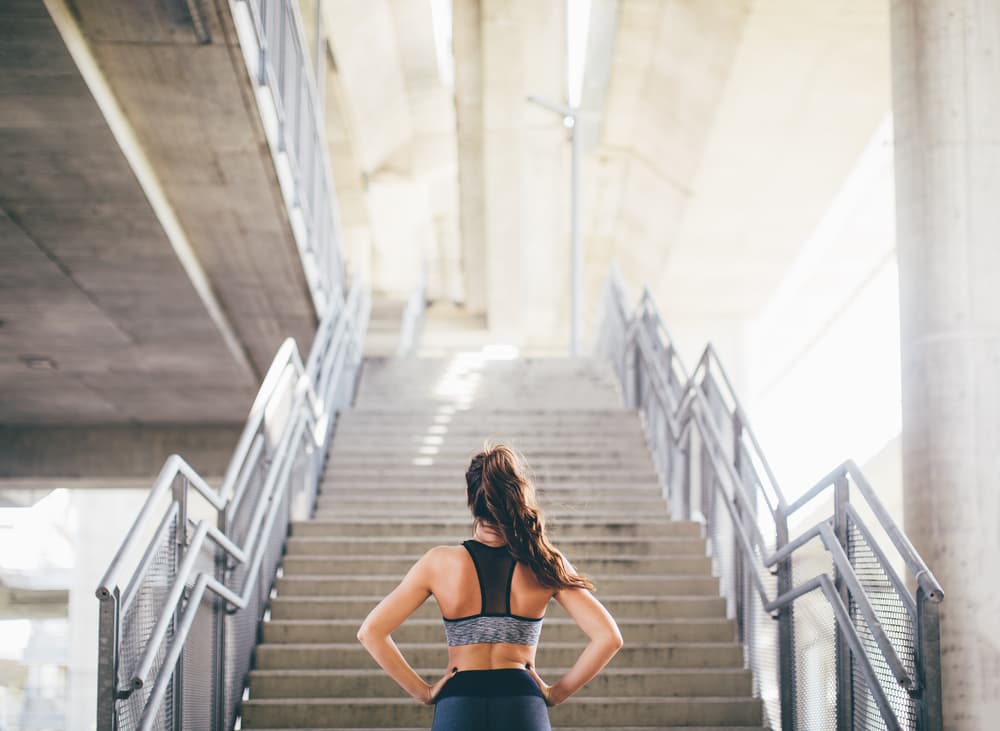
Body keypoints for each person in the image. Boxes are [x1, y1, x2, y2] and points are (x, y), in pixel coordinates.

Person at [357, 440, 624, 730]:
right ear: (516, 495)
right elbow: (609, 637)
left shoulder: (438, 563)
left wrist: (424, 692)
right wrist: (555, 693)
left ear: (471, 498)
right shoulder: (543, 560)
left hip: (458, 703)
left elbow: (371, 632)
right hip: (523, 703)